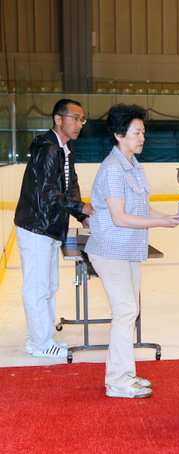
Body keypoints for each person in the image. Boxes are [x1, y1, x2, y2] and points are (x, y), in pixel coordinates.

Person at [85, 104, 179, 398]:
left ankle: (124, 375)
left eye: (143, 132)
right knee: (126, 310)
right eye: (136, 132)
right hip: (110, 249)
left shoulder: (133, 165)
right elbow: (119, 217)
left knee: (129, 311)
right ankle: (118, 381)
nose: (142, 137)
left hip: (129, 248)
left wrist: (169, 217)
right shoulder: (113, 169)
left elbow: (139, 209)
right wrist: (161, 223)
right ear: (119, 134)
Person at [14, 98, 93, 358]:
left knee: (48, 286)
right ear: (58, 119)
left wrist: (81, 217)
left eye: (82, 119)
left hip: (51, 227)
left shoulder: (65, 149)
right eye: (74, 118)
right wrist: (81, 208)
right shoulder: (47, 148)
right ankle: (39, 342)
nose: (79, 123)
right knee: (37, 287)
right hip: (36, 226)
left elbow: (70, 186)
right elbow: (48, 193)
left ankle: (41, 337)